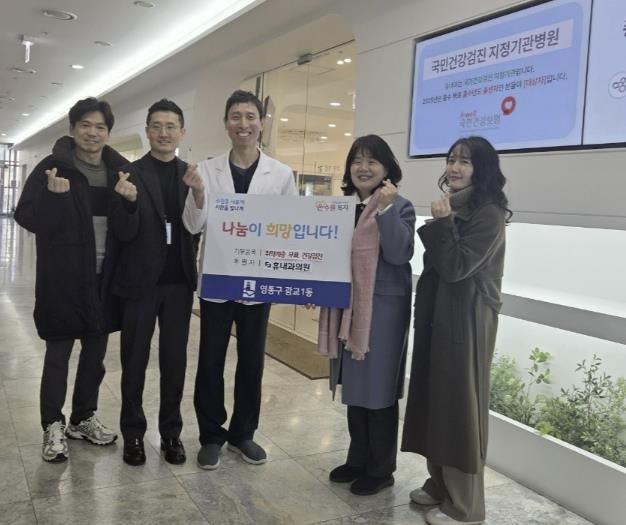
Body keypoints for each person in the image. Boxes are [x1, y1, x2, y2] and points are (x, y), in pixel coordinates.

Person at [182, 89, 296, 469]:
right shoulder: (206, 170)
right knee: (211, 360)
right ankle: (211, 434)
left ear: (262, 123)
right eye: (236, 117)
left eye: (250, 117)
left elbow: (289, 229)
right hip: (219, 280)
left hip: (258, 281)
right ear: (226, 123)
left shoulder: (281, 175)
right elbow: (192, 225)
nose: (243, 124)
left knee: (252, 361)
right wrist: (198, 194)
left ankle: (243, 433)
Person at [401, 136, 511, 525]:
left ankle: (466, 507)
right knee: (436, 399)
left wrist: (444, 223)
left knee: (460, 407)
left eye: (464, 161)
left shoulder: (489, 213)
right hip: (441, 315)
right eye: (451, 159)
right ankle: (440, 485)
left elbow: (457, 267)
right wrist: (445, 221)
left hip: (467, 320)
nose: (454, 167)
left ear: (482, 169)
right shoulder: (453, 205)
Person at [14, 97, 125, 462]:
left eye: (100, 127)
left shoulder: (119, 172)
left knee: (95, 357)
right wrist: (53, 199)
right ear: (73, 129)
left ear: (108, 133)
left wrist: (131, 201)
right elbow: (25, 215)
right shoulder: (52, 167)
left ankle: (82, 418)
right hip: (63, 280)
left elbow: (129, 225)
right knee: (58, 355)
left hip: (103, 281)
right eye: (85, 125)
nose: (92, 133)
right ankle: (52, 424)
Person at [317, 134, 416, 495]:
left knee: (378, 390)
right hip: (347, 309)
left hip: (382, 311)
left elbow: (400, 253)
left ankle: (381, 468)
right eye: (357, 160)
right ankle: (357, 458)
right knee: (356, 388)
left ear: (387, 168)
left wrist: (385, 210)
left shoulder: (400, 206)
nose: (363, 167)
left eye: (372, 160)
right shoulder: (341, 208)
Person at [110, 99, 201, 466]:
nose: (164, 133)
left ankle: (171, 434)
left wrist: (199, 195)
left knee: (174, 362)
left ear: (182, 132)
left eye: (171, 126)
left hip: (178, 283)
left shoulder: (191, 175)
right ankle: (133, 433)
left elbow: (198, 226)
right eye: (157, 126)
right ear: (147, 131)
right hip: (140, 284)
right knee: (134, 360)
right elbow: (122, 233)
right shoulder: (129, 174)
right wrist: (128, 204)